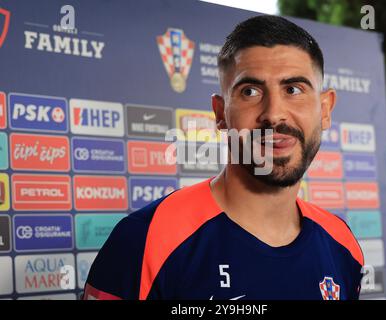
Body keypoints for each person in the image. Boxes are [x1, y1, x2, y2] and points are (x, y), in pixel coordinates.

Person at [83, 15, 364, 300]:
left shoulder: (342, 245)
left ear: (325, 109)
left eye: (293, 89)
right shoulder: (145, 239)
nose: (274, 113)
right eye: (250, 91)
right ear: (220, 113)